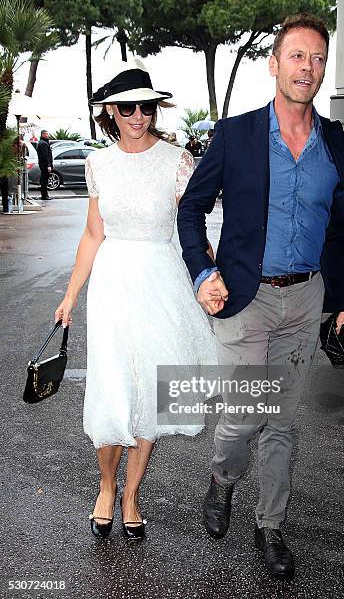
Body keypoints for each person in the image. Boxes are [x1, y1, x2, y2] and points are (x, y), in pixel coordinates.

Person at [177, 13, 344, 579]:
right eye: (297, 56)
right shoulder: (237, 134)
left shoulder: (338, 145)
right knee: (245, 416)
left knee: (284, 421)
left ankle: (270, 525)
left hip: (306, 301)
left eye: (319, 58)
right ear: (275, 64)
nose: (309, 67)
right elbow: (191, 208)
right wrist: (203, 274)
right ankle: (223, 478)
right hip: (245, 299)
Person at [54, 61, 216, 541]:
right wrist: (70, 294)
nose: (139, 115)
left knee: (152, 394)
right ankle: (106, 485)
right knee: (114, 390)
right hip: (112, 285)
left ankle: (130, 496)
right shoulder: (98, 163)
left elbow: (193, 229)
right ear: (111, 110)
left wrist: (210, 276)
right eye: (129, 107)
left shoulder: (177, 160)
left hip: (162, 283)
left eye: (146, 106)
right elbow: (92, 233)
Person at [36, 130, 53, 200]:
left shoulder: (43, 142)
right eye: (46, 134)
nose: (47, 135)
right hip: (44, 164)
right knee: (44, 180)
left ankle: (45, 195)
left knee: (44, 179)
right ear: (43, 134)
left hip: (43, 164)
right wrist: (48, 165)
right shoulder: (43, 143)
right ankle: (44, 195)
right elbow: (45, 156)